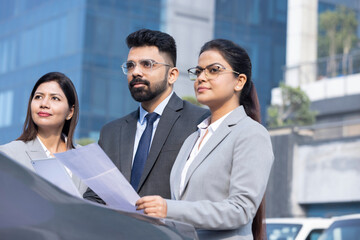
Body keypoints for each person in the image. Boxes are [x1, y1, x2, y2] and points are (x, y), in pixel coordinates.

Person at [135, 39, 274, 240]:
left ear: (239, 81)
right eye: (198, 71)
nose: (201, 77)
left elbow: (241, 210)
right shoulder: (193, 138)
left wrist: (168, 209)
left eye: (214, 70)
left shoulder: (251, 133)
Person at [83, 29, 209, 202]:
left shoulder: (199, 122)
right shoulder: (111, 132)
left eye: (147, 64)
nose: (136, 72)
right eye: (130, 65)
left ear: (172, 75)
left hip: (170, 228)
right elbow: (96, 196)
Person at [0, 72, 87, 194]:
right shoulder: (8, 155)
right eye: (38, 97)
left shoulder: (86, 158)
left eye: (54, 98)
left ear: (70, 112)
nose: (44, 104)